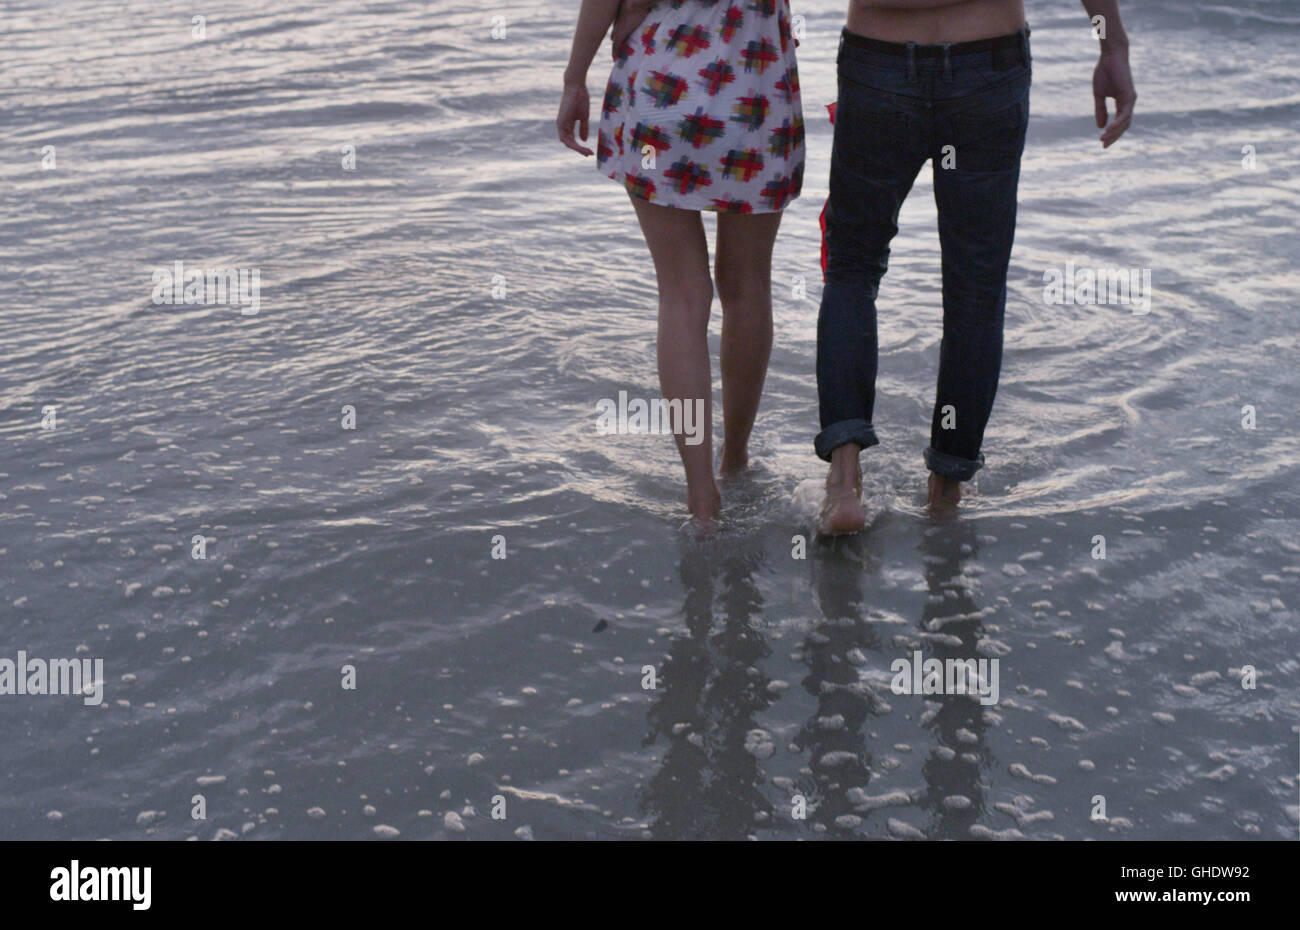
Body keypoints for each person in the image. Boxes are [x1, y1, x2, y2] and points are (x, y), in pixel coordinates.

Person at [817, 0, 1136, 533]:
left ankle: (844, 483)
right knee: (976, 289)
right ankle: (946, 491)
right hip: (987, 63)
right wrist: (1111, 45)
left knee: (852, 270)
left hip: (879, 61)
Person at [558, 0, 806, 531]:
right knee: (747, 289)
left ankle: (701, 499)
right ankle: (734, 459)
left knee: (683, 295)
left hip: (663, 85)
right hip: (755, 86)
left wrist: (574, 78)